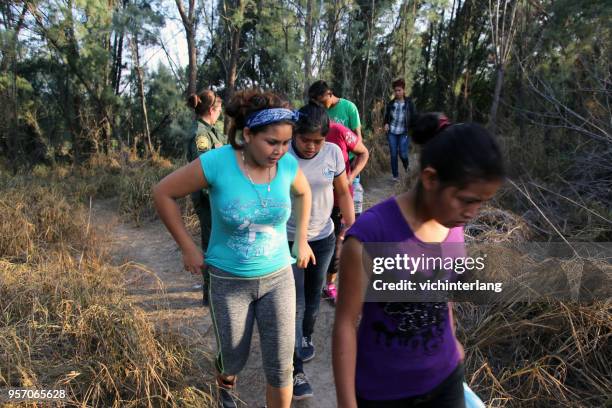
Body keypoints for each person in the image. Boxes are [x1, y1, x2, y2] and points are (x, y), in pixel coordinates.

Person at [153, 89, 315, 408]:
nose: (280, 151)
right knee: (231, 358)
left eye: (285, 143)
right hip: (229, 283)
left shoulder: (286, 166)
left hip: (279, 277)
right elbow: (163, 193)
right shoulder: (216, 162)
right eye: (272, 143)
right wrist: (187, 247)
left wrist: (303, 239)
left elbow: (303, 193)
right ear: (248, 134)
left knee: (281, 365)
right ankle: (226, 383)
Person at [332, 113, 505, 408]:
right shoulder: (371, 236)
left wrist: (452, 338)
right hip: (384, 392)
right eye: (467, 200)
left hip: (445, 379)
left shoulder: (452, 223)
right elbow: (346, 324)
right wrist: (347, 403)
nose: (473, 212)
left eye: (481, 202)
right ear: (430, 178)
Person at [286, 102, 356, 400]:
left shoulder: (333, 153)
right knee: (294, 301)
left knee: (314, 299)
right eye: (306, 140)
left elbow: (342, 191)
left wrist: (352, 228)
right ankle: (294, 367)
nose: (312, 146)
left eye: (318, 140)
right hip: (287, 240)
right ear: (294, 135)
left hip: (324, 237)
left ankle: (306, 336)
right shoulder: (281, 154)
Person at [308, 81, 369, 301]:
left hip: (343, 185)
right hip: (316, 193)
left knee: (341, 236)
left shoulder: (342, 123)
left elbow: (361, 148)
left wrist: (349, 177)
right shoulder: (304, 130)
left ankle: (331, 283)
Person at [185, 89, 225, 306]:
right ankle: (210, 294)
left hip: (214, 197)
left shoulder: (211, 130)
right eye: (219, 109)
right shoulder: (201, 135)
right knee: (211, 244)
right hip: (207, 198)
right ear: (212, 109)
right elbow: (204, 171)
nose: (220, 113)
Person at [383, 78, 417, 181]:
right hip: (392, 132)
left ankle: (407, 168)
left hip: (404, 132)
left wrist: (413, 128)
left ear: (403, 90)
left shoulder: (409, 103)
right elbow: (386, 117)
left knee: (403, 153)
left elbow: (414, 117)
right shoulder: (391, 104)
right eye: (396, 90)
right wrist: (386, 124)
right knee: (393, 154)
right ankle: (395, 176)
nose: (397, 92)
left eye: (399, 90)